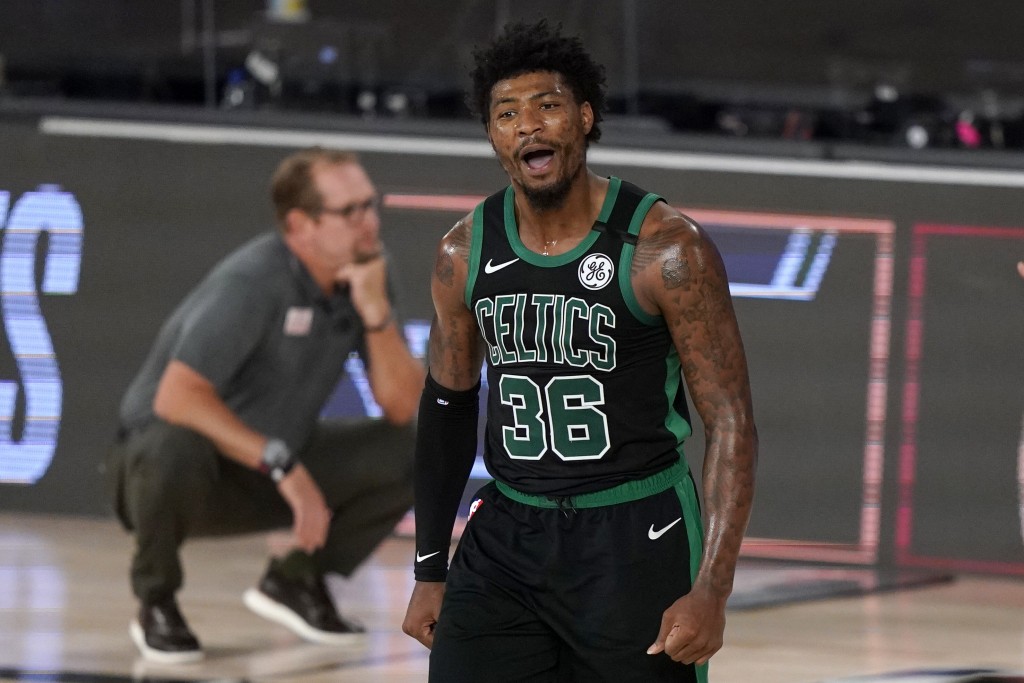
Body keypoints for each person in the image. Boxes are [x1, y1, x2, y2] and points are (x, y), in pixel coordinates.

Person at [402, 20, 758, 683]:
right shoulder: (464, 251)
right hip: (509, 530)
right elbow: (448, 403)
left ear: (586, 117)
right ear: (492, 136)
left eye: (548, 105)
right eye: (506, 113)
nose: (527, 126)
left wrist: (713, 587)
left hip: (634, 533)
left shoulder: (668, 250)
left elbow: (731, 420)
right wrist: (429, 568)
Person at [107, 147, 424, 664]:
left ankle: (297, 582)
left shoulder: (370, 271)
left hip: (264, 472)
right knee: (172, 443)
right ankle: (156, 601)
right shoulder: (253, 283)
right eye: (351, 211)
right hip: (170, 473)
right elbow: (176, 396)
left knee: (419, 448)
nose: (370, 222)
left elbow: (403, 406)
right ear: (301, 225)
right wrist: (284, 466)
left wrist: (376, 312)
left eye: (371, 204)